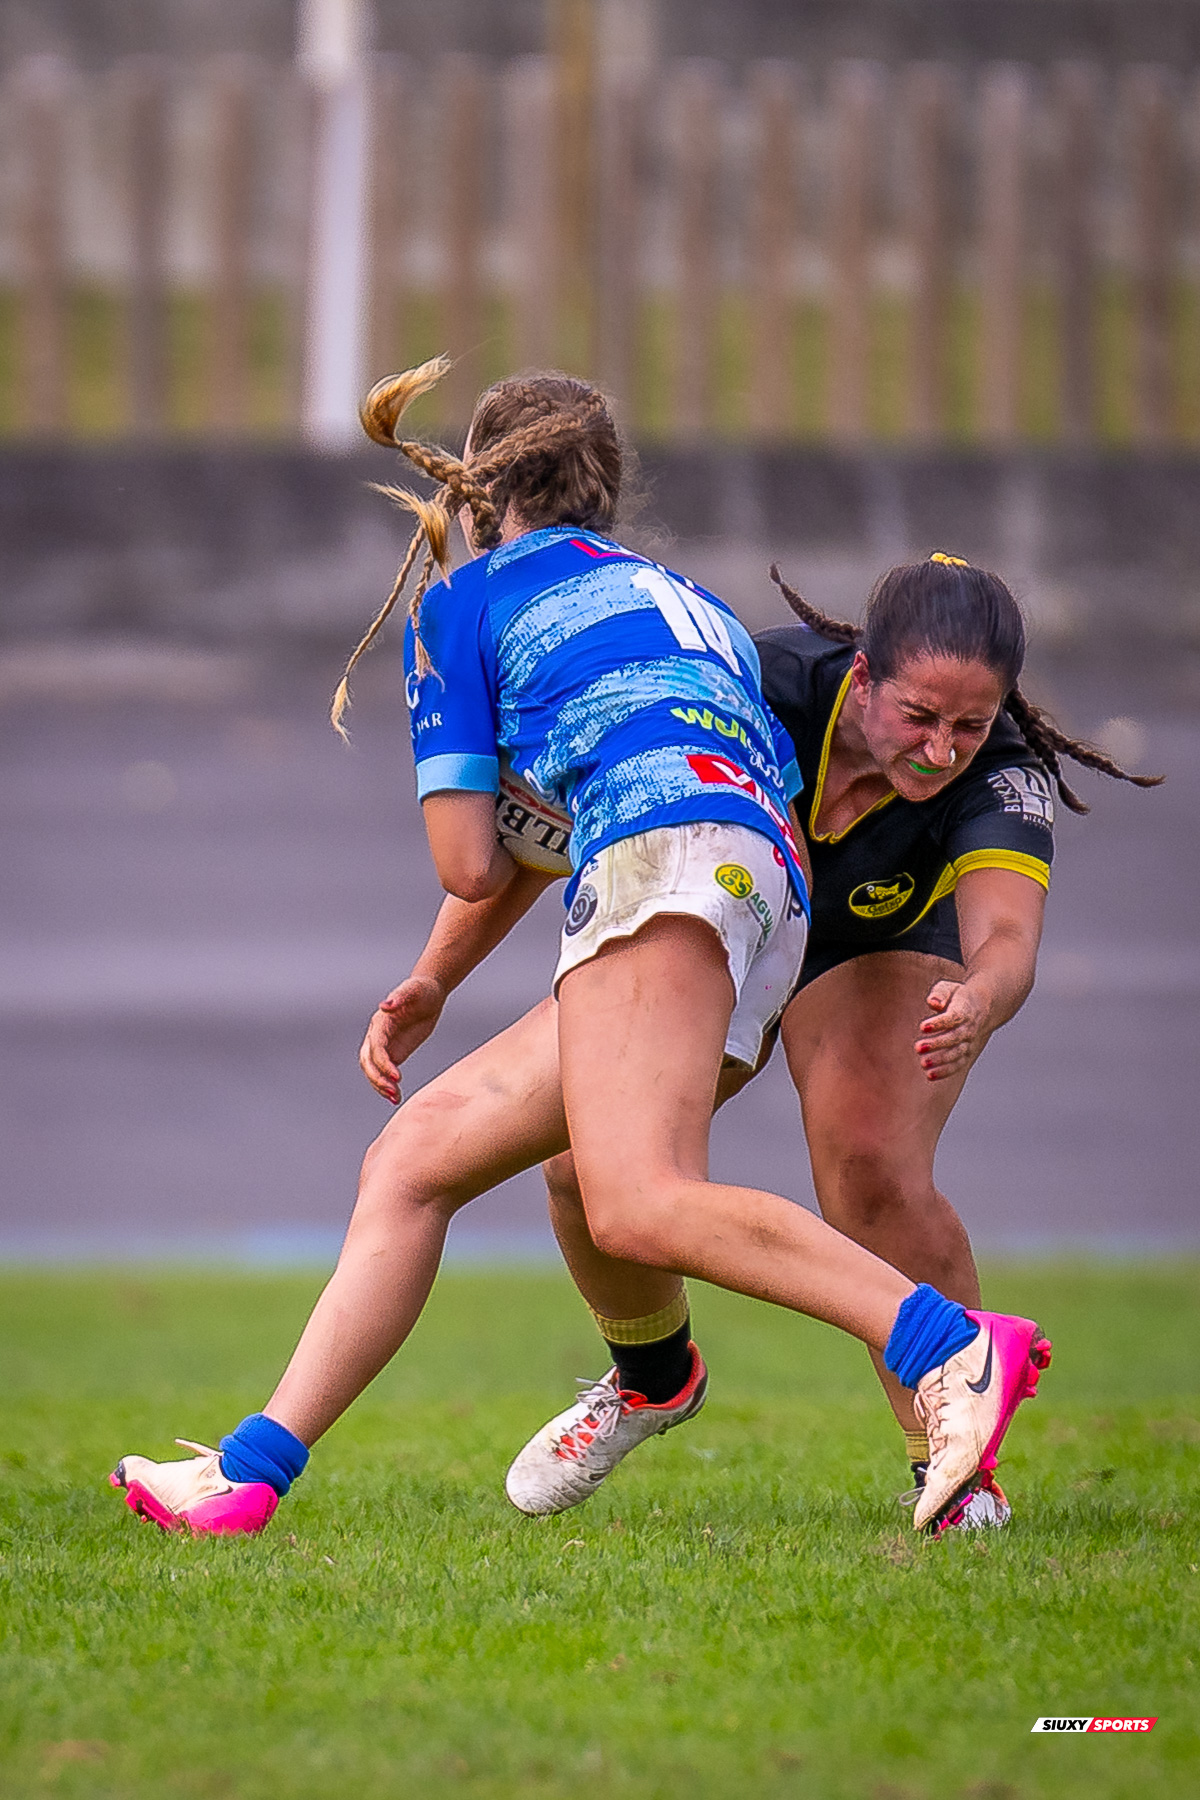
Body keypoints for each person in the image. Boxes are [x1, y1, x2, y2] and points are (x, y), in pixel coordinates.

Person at [109, 360, 1052, 1541]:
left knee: (640, 1201)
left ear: (477, 496)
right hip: (760, 883)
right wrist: (438, 975)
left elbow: (469, 857)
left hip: (669, 868)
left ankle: (948, 1347)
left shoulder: (463, 603)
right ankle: (248, 1474)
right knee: (420, 1157)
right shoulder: (684, 598)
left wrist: (493, 764)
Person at [515, 555, 1160, 1530]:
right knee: (577, 1158)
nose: (943, 749)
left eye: (969, 725)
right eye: (919, 717)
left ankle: (954, 1467)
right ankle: (652, 1379)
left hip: (881, 944)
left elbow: (1006, 939)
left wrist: (981, 996)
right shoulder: (761, 687)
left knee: (869, 1169)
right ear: (861, 677)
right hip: (734, 907)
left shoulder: (1004, 767)